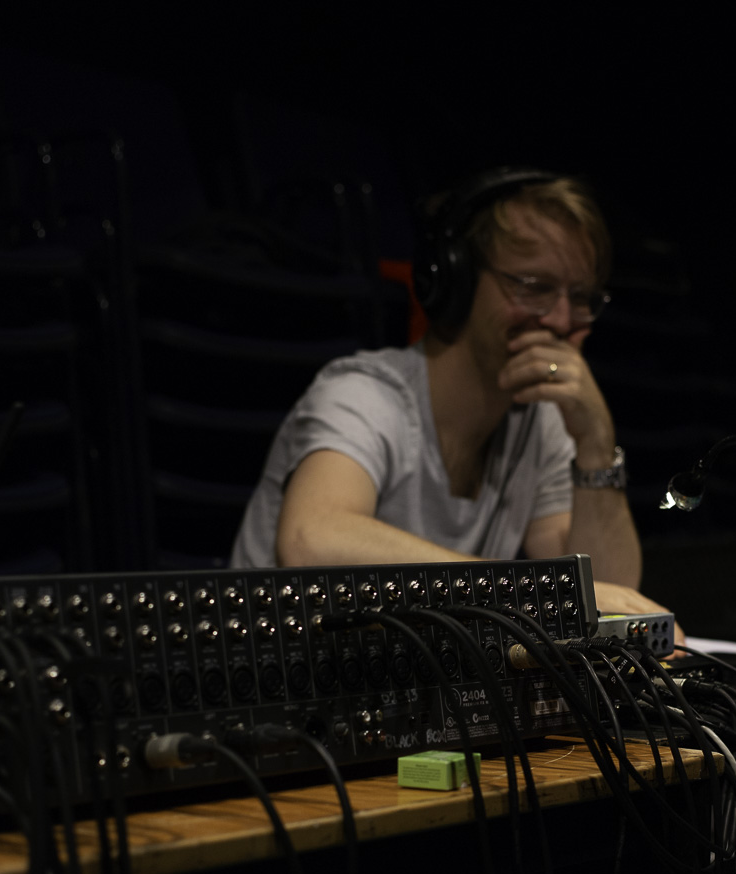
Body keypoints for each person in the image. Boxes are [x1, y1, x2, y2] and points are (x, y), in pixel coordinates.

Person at [229, 167, 676, 629]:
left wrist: (596, 443)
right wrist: (533, 589)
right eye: (534, 287)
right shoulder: (364, 395)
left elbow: (609, 598)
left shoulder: (540, 422)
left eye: (581, 298)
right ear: (456, 280)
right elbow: (312, 542)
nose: (562, 321)